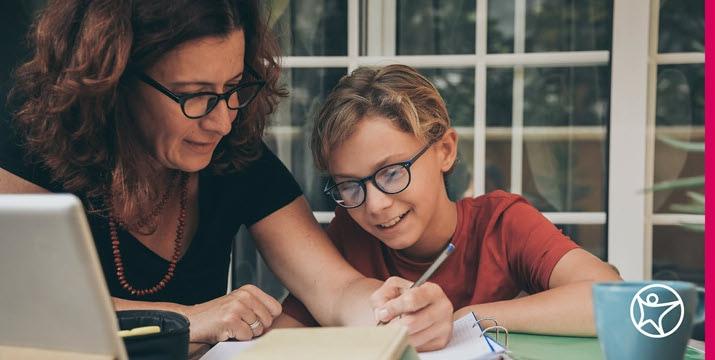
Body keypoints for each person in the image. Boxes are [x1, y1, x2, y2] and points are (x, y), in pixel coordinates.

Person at [0, 1, 452, 350]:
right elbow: (16, 305)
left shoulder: (235, 155)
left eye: (234, 88)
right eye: (194, 96)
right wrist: (188, 318)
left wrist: (393, 310)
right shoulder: (32, 146)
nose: (222, 121)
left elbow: (335, 289)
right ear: (113, 79)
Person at [280, 64, 622, 336]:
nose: (375, 205)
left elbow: (613, 299)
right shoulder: (349, 236)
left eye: (392, 173)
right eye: (350, 186)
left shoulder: (501, 225)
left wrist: (467, 318)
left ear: (445, 150)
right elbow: (282, 337)